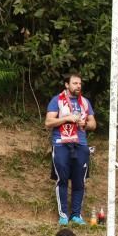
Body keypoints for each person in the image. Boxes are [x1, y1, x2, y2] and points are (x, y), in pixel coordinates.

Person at [45, 71, 96, 226]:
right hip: (61, 143)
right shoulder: (57, 100)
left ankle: (76, 215)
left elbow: (93, 124)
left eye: (79, 83)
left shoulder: (85, 102)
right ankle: (63, 215)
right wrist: (67, 118)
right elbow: (48, 123)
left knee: (79, 181)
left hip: (80, 144)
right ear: (67, 85)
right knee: (62, 180)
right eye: (75, 83)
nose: (78, 86)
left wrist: (85, 124)